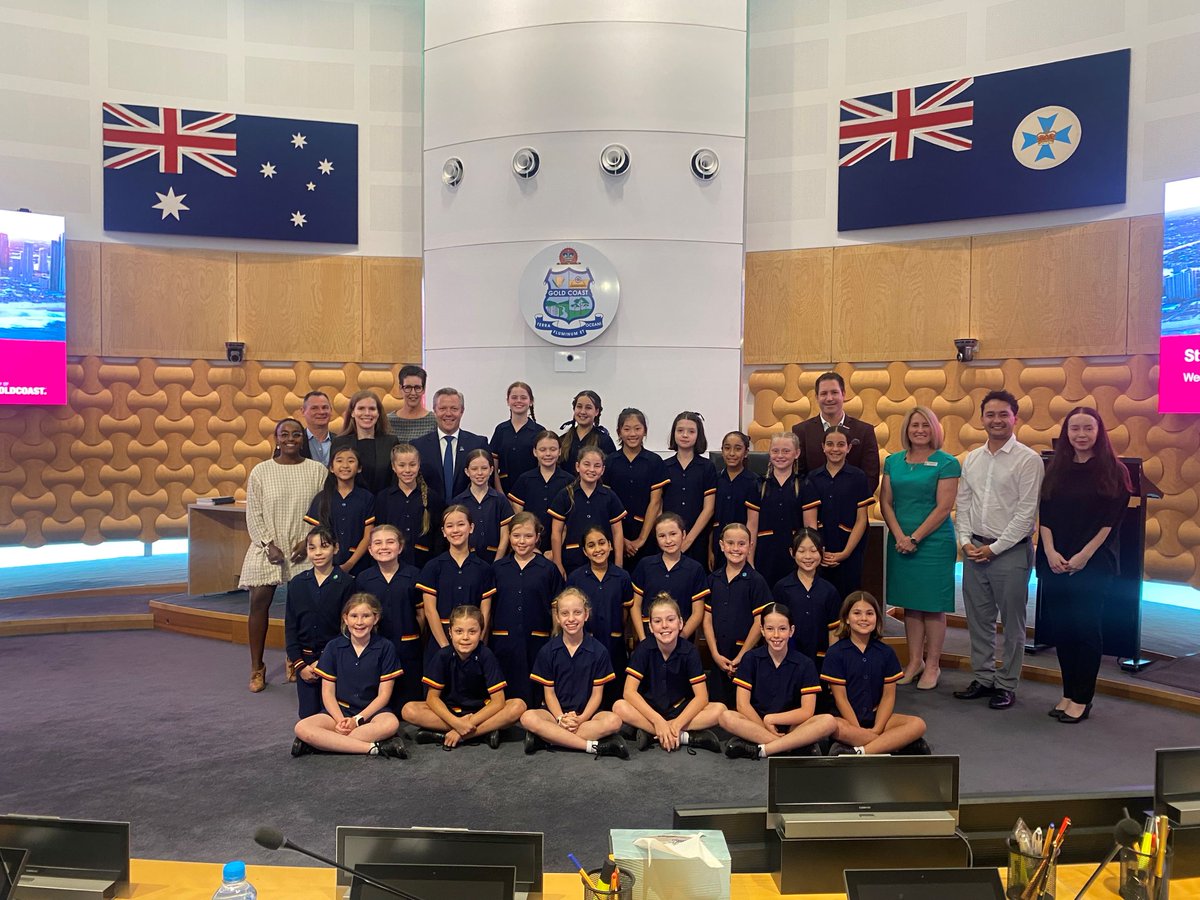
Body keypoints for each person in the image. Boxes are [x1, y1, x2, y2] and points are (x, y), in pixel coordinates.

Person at [1037, 407, 1131, 724]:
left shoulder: (1114, 470)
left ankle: (1083, 698)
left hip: (1094, 563)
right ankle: (1068, 692)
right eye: (1074, 428)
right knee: (1062, 631)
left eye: (1087, 428)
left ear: (1099, 431)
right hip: (1054, 561)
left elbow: (1110, 521)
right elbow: (1045, 514)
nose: (1080, 434)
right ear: (1066, 432)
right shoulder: (1055, 468)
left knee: (1086, 630)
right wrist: (1049, 551)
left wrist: (1083, 556)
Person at [953, 390, 1044, 711]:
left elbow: (1025, 514)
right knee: (978, 619)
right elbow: (963, 505)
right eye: (990, 415)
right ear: (982, 419)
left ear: (1015, 418)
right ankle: (984, 677)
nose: (996, 420)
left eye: (1003, 414)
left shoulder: (1028, 460)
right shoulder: (973, 459)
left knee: (1013, 623)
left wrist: (994, 548)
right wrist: (964, 542)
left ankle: (1006, 683)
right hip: (974, 549)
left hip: (1011, 553)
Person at [238, 418, 328, 693]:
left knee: (300, 606)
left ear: (303, 439)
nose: (291, 438)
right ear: (276, 438)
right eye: (285, 434)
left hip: (304, 546)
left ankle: (295, 659)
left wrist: (308, 541)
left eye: (297, 434)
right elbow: (253, 513)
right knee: (259, 602)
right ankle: (257, 667)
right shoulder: (261, 471)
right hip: (268, 545)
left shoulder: (317, 470)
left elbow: (323, 510)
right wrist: (268, 544)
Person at [879, 406, 960, 690]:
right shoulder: (893, 461)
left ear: (934, 429)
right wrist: (900, 535)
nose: (919, 430)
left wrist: (915, 538)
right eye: (914, 425)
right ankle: (915, 662)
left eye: (925, 425)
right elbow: (886, 502)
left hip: (933, 542)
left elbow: (944, 507)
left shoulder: (946, 462)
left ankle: (933, 664)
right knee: (911, 605)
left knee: (933, 606)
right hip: (900, 540)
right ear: (907, 429)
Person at [292, 592, 407, 759]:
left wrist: (357, 720)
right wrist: (341, 721)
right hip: (339, 711)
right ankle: (373, 747)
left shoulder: (385, 647)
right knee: (301, 727)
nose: (359, 622)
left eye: (366, 616)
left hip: (372, 712)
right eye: (354, 616)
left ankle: (322, 745)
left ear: (375, 619)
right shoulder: (333, 647)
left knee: (391, 724)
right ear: (345, 619)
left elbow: (384, 696)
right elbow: (327, 693)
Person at [521, 587, 629, 758]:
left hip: (588, 717)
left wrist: (581, 718)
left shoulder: (599, 651)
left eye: (577, 612)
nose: (571, 619)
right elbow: (549, 694)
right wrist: (560, 719)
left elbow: (596, 695)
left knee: (614, 721)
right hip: (554, 715)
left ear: (586, 615)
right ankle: (592, 746)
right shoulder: (548, 651)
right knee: (527, 717)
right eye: (565, 613)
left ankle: (548, 739)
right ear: (557, 617)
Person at [721, 603, 838, 760]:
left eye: (782, 629)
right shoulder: (751, 658)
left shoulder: (805, 663)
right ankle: (788, 747)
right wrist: (765, 725)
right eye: (770, 629)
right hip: (758, 724)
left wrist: (773, 719)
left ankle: (762, 749)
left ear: (792, 631)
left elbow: (807, 711)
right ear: (762, 630)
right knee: (726, 717)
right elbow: (743, 705)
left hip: (793, 726)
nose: (776, 635)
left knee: (829, 721)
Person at [401, 604, 527, 750]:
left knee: (518, 706)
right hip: (451, 711)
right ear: (450, 632)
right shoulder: (442, 656)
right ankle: (482, 732)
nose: (465, 637)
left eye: (472, 632)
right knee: (408, 710)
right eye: (459, 631)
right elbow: (432, 698)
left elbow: (498, 702)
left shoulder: (486, 655)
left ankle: (462, 735)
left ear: (481, 633)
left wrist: (466, 724)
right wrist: (457, 723)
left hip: (482, 711)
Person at [614, 593, 725, 753]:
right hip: (650, 711)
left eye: (670, 620)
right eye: (657, 621)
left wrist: (677, 723)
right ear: (651, 627)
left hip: (680, 709)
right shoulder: (644, 649)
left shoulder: (690, 651)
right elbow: (629, 692)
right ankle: (682, 736)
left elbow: (702, 697)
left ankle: (654, 733)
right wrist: (658, 721)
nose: (664, 625)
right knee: (619, 707)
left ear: (680, 623)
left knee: (719, 710)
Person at [822, 591, 928, 755]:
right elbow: (840, 698)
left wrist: (877, 728)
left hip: (877, 717)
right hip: (846, 720)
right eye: (857, 613)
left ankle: (861, 751)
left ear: (877, 618)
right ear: (847, 619)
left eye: (869, 613)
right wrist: (857, 729)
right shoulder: (836, 653)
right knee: (831, 726)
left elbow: (888, 696)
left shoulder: (886, 653)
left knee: (918, 724)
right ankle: (890, 744)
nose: (863, 618)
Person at [490, 511, 564, 704]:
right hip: (503, 640)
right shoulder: (498, 569)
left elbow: (557, 608)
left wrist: (555, 638)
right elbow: (488, 608)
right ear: (509, 536)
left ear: (538, 538)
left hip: (538, 640)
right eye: (516, 535)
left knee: (534, 690)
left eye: (528, 536)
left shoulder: (548, 569)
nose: (522, 541)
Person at [284, 527, 355, 714]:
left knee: (334, 714)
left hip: (335, 659)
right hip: (305, 663)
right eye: (312, 548)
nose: (318, 553)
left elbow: (349, 630)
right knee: (307, 715)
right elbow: (290, 627)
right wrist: (299, 665)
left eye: (324, 547)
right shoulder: (298, 583)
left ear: (336, 548)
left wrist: (322, 662)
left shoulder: (347, 584)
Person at [416, 505, 496, 666]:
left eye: (461, 524)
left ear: (471, 527)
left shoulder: (484, 568)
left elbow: (485, 612)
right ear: (444, 532)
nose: (455, 530)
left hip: (472, 643)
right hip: (439, 643)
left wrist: (475, 645)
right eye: (450, 526)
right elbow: (430, 611)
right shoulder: (433, 567)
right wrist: (446, 648)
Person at [356, 525, 424, 707]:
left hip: (408, 647)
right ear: (370, 549)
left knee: (409, 700)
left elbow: (421, 615)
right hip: (375, 647)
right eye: (377, 543)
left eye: (390, 542)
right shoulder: (363, 579)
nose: (384, 547)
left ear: (400, 547)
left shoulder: (415, 575)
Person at [703, 523, 771, 707]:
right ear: (721, 545)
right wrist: (715, 654)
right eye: (730, 543)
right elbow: (706, 620)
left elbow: (760, 621)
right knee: (717, 706)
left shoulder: (756, 581)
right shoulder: (712, 579)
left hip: (747, 657)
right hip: (719, 656)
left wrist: (742, 655)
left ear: (750, 546)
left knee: (744, 706)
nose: (735, 548)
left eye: (741, 544)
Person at [802, 425, 872, 599]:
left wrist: (846, 553)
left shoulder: (858, 477)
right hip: (820, 552)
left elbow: (861, 519)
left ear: (848, 448)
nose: (835, 449)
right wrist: (818, 551)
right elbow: (809, 520)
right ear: (822, 447)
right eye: (830, 444)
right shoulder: (812, 478)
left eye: (841, 444)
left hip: (849, 549)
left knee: (848, 599)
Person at [567, 525, 634, 706]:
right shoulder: (575, 578)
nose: (598, 549)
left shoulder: (623, 577)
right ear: (585, 551)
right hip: (584, 645)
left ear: (611, 545)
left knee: (614, 691)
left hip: (614, 644)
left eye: (602, 543)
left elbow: (626, 611)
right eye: (591, 545)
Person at [792, 371, 881, 495]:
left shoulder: (864, 431)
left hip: (853, 509)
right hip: (813, 509)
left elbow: (871, 476)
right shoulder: (801, 431)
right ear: (817, 397)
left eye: (834, 392)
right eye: (823, 393)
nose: (829, 398)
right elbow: (798, 475)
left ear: (843, 394)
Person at [605, 408, 669, 572]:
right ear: (619, 432)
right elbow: (607, 503)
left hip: (646, 534)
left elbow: (655, 502)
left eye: (637, 428)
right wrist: (621, 540)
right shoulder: (610, 462)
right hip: (615, 534)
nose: (632, 434)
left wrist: (641, 539)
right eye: (626, 429)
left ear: (645, 431)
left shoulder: (655, 462)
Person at [631, 513, 710, 642]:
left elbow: (697, 613)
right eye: (662, 536)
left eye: (673, 534)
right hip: (649, 638)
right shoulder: (645, 565)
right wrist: (643, 638)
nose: (668, 540)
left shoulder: (695, 569)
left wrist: (679, 639)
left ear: (683, 535)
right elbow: (635, 606)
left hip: (681, 641)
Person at [772, 529, 842, 673]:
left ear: (822, 551)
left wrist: (832, 664)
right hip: (788, 660)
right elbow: (776, 627)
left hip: (820, 660)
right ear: (792, 552)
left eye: (813, 551)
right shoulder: (782, 588)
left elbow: (834, 631)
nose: (808, 557)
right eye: (802, 551)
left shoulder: (829, 591)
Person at [549, 446, 626, 576]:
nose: (591, 469)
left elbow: (617, 532)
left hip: (604, 561)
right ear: (577, 467)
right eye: (586, 464)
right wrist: (558, 563)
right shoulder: (565, 495)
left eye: (597, 466)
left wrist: (619, 563)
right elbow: (556, 532)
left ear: (602, 470)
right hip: (572, 560)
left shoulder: (609, 496)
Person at [303, 445, 375, 575]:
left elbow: (368, 536)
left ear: (359, 468)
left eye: (351, 461)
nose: (345, 465)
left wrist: (349, 564)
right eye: (339, 460)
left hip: (360, 565)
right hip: (327, 566)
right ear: (331, 468)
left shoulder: (367, 498)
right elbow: (314, 536)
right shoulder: (321, 498)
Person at [412, 387, 489, 503]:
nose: (448, 414)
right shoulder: (418, 446)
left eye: (454, 409)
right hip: (430, 516)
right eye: (442, 408)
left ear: (462, 411)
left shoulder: (478, 444)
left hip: (468, 516)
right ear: (435, 410)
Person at [661, 411, 717, 569]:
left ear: (698, 435)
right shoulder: (663, 466)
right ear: (674, 433)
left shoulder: (707, 467)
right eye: (680, 430)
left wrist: (688, 540)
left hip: (698, 539)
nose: (685, 435)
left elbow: (709, 508)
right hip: (667, 539)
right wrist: (666, 536)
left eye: (691, 431)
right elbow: (658, 505)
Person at [373, 443, 443, 569]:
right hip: (391, 565)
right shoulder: (383, 498)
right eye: (401, 465)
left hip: (424, 565)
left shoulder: (433, 498)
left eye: (412, 464)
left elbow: (438, 537)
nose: (407, 470)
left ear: (419, 464)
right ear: (394, 467)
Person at [752, 432, 804, 587]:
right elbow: (752, 525)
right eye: (775, 451)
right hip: (765, 554)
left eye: (786, 451)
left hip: (795, 555)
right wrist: (749, 560)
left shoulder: (805, 484)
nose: (780, 455)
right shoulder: (758, 485)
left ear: (797, 453)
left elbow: (810, 527)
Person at [507, 430, 572, 555]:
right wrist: (530, 547)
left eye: (552, 449)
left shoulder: (569, 482)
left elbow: (570, 521)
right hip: (527, 549)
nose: (548, 454)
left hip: (560, 550)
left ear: (559, 451)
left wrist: (555, 552)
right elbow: (518, 517)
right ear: (535, 452)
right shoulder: (524, 480)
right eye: (542, 450)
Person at [452, 448, 514, 563]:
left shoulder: (500, 500)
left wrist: (497, 562)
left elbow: (505, 535)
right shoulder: (458, 502)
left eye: (484, 468)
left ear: (491, 470)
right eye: (474, 469)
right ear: (467, 471)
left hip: (495, 560)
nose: (479, 473)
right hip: (466, 562)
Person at [331, 390, 398, 495]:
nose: (367, 413)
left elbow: (395, 480)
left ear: (378, 413)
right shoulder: (339, 442)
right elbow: (334, 480)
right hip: (351, 506)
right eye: (361, 408)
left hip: (383, 505)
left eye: (372, 409)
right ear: (352, 412)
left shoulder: (391, 442)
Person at [712, 430, 760, 571]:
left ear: (746, 453)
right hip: (718, 545)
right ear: (722, 451)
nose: (731, 453)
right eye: (727, 448)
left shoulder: (754, 481)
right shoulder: (714, 479)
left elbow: (752, 523)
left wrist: (749, 556)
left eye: (738, 449)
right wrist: (710, 549)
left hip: (740, 548)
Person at [490, 381, 542, 495]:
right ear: (508, 401)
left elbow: (542, 466)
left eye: (523, 397)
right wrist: (500, 494)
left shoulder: (539, 431)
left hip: (531, 491)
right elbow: (493, 466)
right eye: (514, 397)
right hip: (503, 489)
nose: (518, 401)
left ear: (531, 401)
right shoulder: (500, 430)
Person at [558, 390, 616, 471]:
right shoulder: (562, 440)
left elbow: (610, 471)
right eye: (579, 406)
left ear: (596, 411)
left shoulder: (605, 441)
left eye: (588, 408)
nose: (582, 411)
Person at [387, 364, 437, 443]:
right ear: (400, 388)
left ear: (423, 389)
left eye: (417, 388)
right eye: (408, 387)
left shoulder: (434, 421)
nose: (413, 393)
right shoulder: (388, 421)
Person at [297, 390, 333, 465]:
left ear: (331, 410)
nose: (321, 412)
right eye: (314, 408)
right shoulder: (294, 442)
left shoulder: (342, 442)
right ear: (303, 411)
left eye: (325, 407)